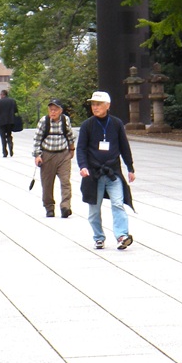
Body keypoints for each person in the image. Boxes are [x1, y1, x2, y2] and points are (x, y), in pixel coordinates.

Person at [77, 90, 135, 250]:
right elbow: (81, 148)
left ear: (107, 105)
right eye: (93, 104)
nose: (95, 107)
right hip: (93, 174)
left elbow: (124, 146)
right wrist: (83, 166)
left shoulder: (116, 124)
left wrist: (130, 167)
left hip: (112, 172)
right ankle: (98, 237)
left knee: (118, 203)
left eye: (98, 104)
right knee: (94, 210)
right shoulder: (87, 125)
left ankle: (122, 235)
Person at [32, 98, 76, 218]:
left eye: (55, 110)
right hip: (47, 155)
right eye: (51, 109)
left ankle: (65, 206)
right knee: (47, 183)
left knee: (65, 181)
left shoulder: (65, 120)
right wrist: (37, 155)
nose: (53, 112)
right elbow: (37, 139)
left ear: (61, 111)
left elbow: (70, 135)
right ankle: (49, 207)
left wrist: (72, 149)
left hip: (63, 154)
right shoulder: (44, 121)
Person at [0, 89, 19, 158]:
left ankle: (5, 152)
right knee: (9, 135)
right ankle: (10, 147)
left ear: (2, 95)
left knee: (2, 137)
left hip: (1, 122)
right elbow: (16, 110)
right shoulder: (12, 101)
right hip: (10, 121)